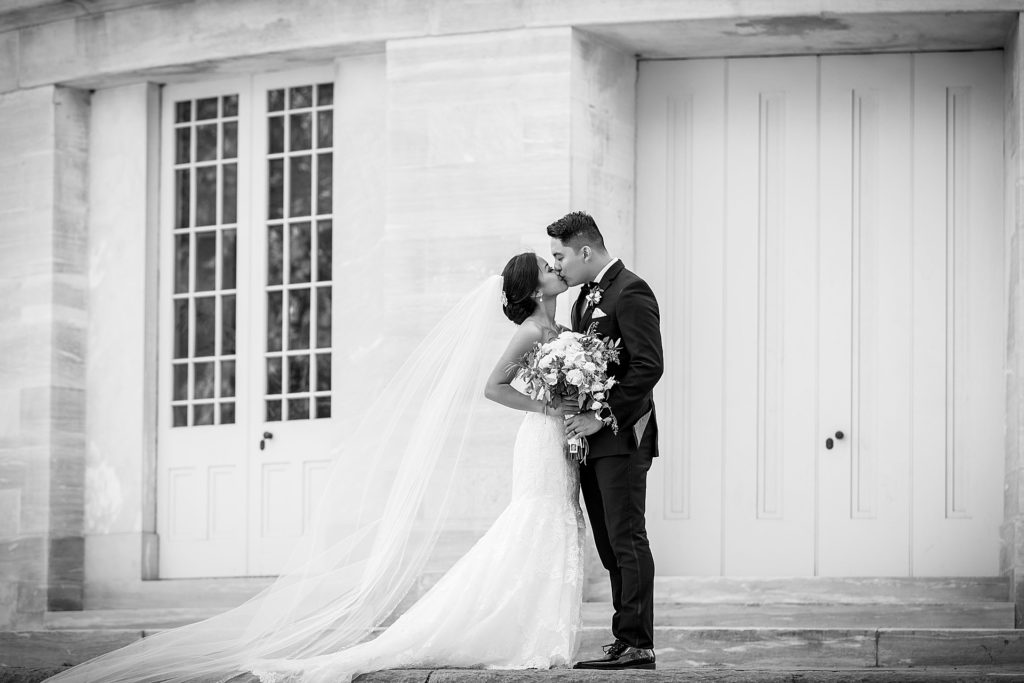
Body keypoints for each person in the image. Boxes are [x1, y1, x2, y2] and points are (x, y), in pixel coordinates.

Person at [45, 253, 586, 683]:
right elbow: (492, 386)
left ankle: (539, 631)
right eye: (546, 266)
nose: (554, 269)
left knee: (556, 522)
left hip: (560, 439)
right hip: (538, 438)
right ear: (534, 287)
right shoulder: (531, 334)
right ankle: (519, 633)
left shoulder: (561, 327)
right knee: (533, 521)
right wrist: (545, 408)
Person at [549, 211, 663, 671]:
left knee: (627, 537)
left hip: (623, 437)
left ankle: (639, 643)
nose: (557, 266)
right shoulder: (582, 300)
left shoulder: (631, 290)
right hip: (593, 444)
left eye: (560, 256)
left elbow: (648, 366)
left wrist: (602, 415)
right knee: (609, 544)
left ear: (585, 251)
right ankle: (624, 637)